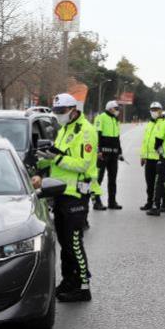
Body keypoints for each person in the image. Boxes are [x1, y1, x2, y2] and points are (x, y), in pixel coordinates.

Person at [33, 93, 98, 302]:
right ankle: (69, 280)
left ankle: (83, 286)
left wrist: (57, 157)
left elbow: (82, 164)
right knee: (63, 241)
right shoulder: (65, 129)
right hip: (59, 192)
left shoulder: (86, 131)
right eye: (57, 112)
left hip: (76, 194)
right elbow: (56, 159)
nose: (59, 115)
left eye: (62, 111)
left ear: (73, 109)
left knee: (74, 242)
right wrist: (43, 160)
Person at [93, 101, 124, 211]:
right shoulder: (101, 117)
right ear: (110, 108)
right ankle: (96, 201)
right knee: (98, 178)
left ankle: (112, 202)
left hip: (113, 154)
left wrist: (120, 152)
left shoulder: (115, 120)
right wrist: (98, 150)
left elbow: (117, 138)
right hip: (103, 154)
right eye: (116, 108)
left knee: (112, 179)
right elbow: (97, 135)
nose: (118, 110)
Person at [140, 102, 165, 211]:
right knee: (149, 182)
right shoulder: (150, 123)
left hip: (159, 158)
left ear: (161, 110)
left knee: (161, 183)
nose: (154, 111)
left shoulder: (164, 123)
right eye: (152, 109)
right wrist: (143, 156)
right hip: (149, 159)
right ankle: (149, 202)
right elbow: (145, 141)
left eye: (156, 109)